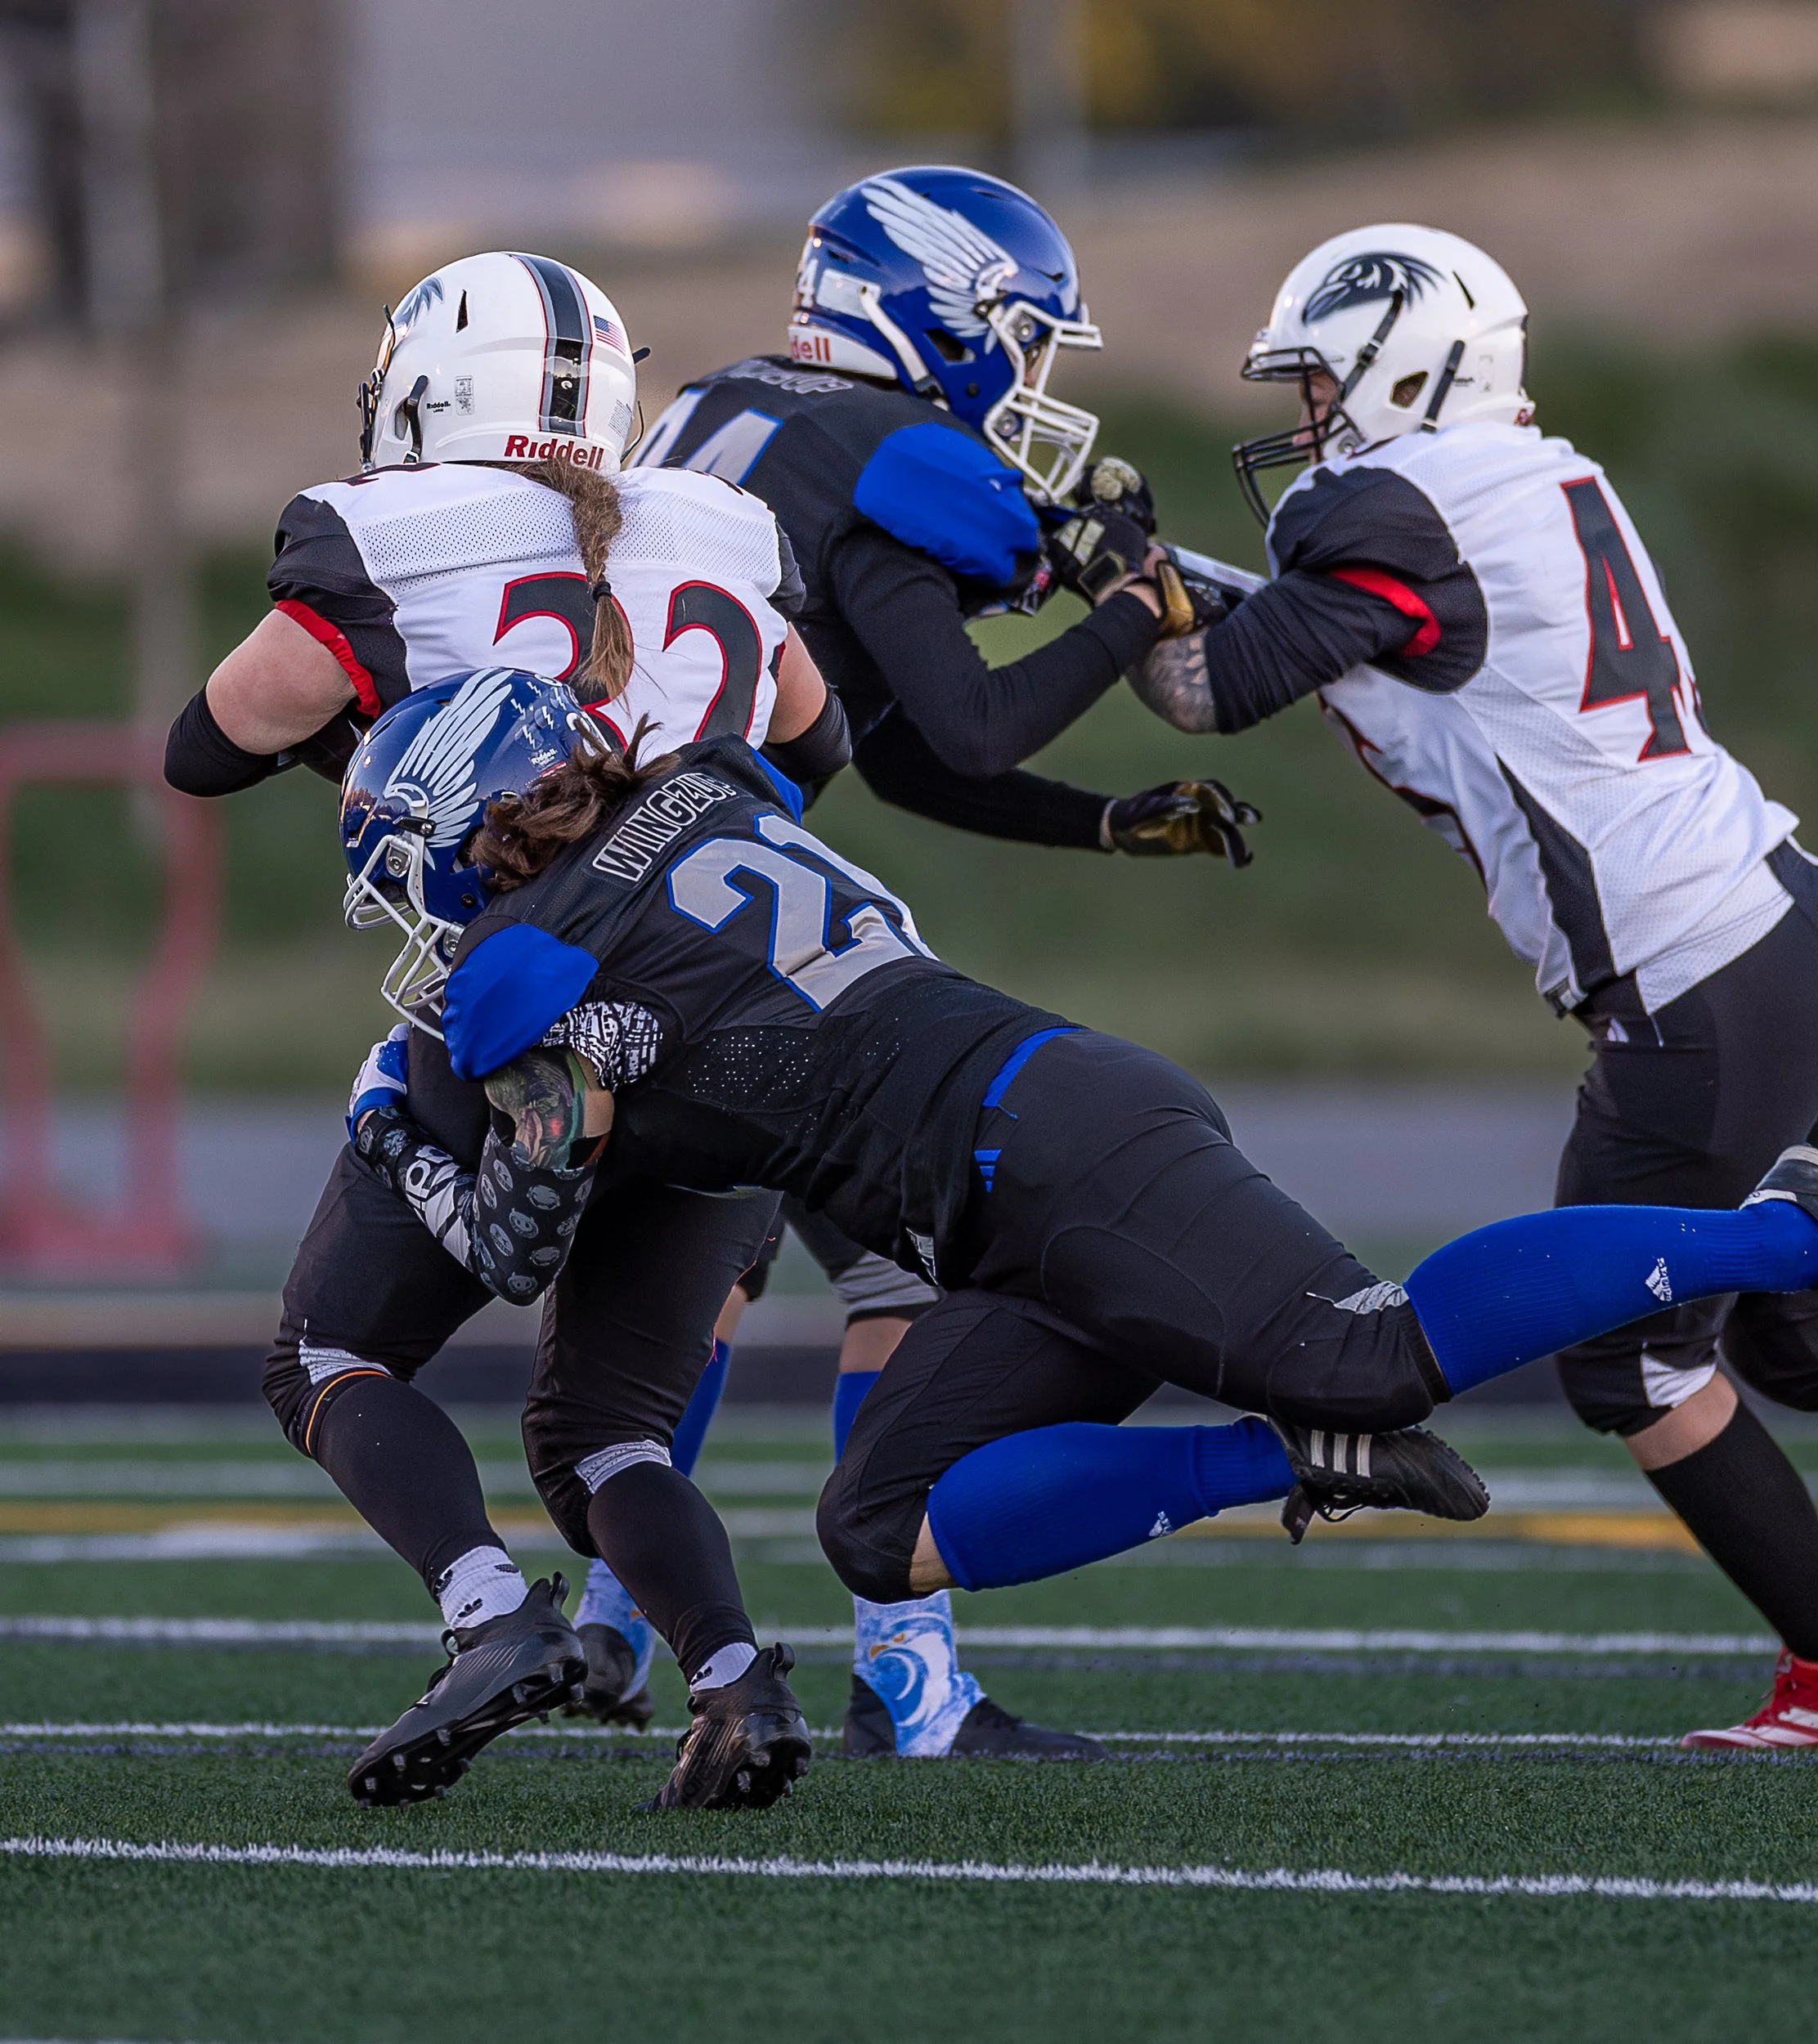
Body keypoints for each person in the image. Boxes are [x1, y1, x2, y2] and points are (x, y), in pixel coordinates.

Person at [333, 675, 1818, 1732]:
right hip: (997, 1178)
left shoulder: (515, 961)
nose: (405, 906)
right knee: (873, 1525)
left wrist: (407, 1137)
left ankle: (1786, 1231)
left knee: (1365, 1347)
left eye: (407, 858)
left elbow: (511, 1246)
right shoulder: (707, 785)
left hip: (1038, 1144)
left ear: (483, 828)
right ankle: (1280, 1458)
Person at [1122, 220, 1818, 1750]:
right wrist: (1154, 584)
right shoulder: (1528, 481)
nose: (1301, 425)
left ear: (1401, 364)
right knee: (1803, 1343)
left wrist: (1106, 594)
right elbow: (1357, 644)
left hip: (1698, 984)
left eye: (1318, 384)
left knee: (1624, 1354)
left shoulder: (1390, 506)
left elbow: (1209, 688)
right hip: (1797, 927)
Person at [572, 164, 1257, 1757]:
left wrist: (1096, 824)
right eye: (1017, 336)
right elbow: (960, 722)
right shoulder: (896, 451)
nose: (1024, 376)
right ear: (939, 314)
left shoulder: (734, 405)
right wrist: (1119, 616)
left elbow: (901, 752)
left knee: (693, 1268)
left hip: (621, 882)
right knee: (892, 1258)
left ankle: (612, 1613)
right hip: (720, 906)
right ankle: (901, 1671)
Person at [163, 251, 849, 1810]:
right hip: (742, 1015)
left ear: (425, 394)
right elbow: (821, 740)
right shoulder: (720, 522)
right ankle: (737, 1683)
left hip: (535, 1006)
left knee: (329, 1351)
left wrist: (408, 750)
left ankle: (490, 1617)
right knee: (611, 1430)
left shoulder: (382, 532)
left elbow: (207, 743)